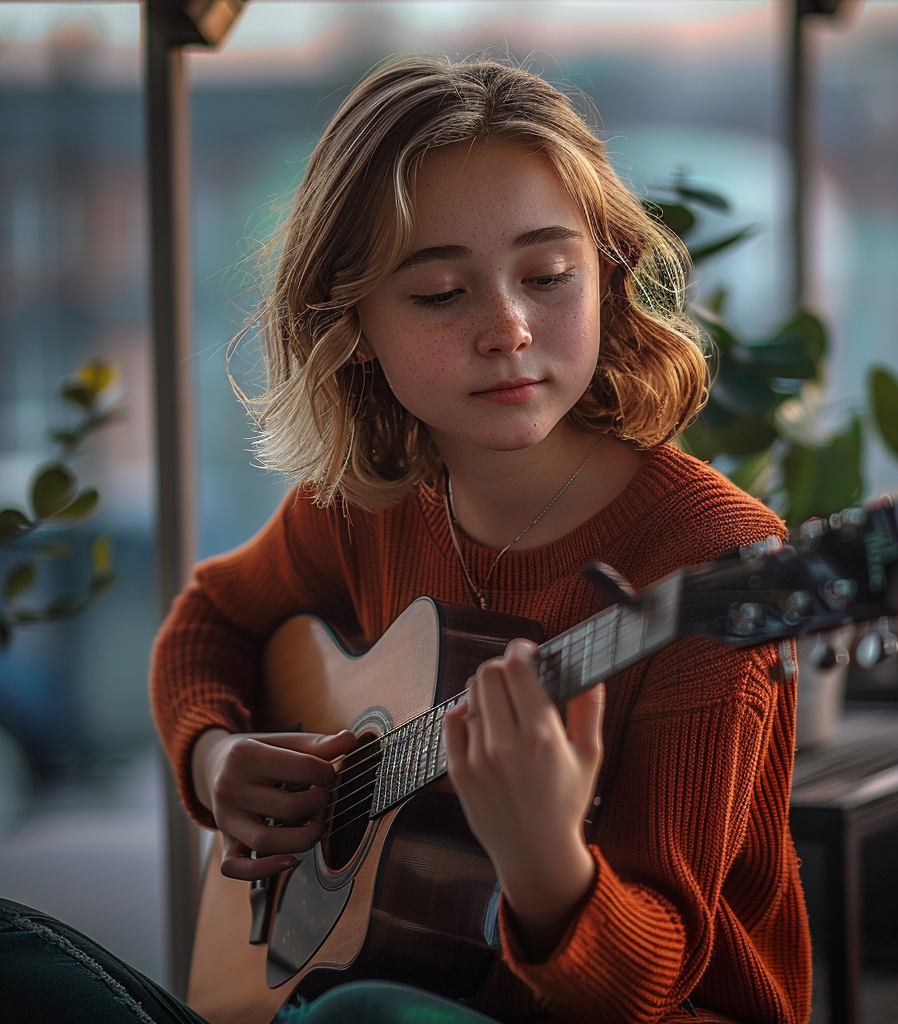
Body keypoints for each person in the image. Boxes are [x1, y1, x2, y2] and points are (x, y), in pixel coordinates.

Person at [1, 56, 811, 1024]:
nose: (508, 327)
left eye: (548, 275)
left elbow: (642, 987)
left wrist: (544, 858)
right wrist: (218, 759)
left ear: (609, 275)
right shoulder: (368, 504)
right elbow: (209, 620)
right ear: (350, 327)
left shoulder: (708, 560)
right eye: (437, 294)